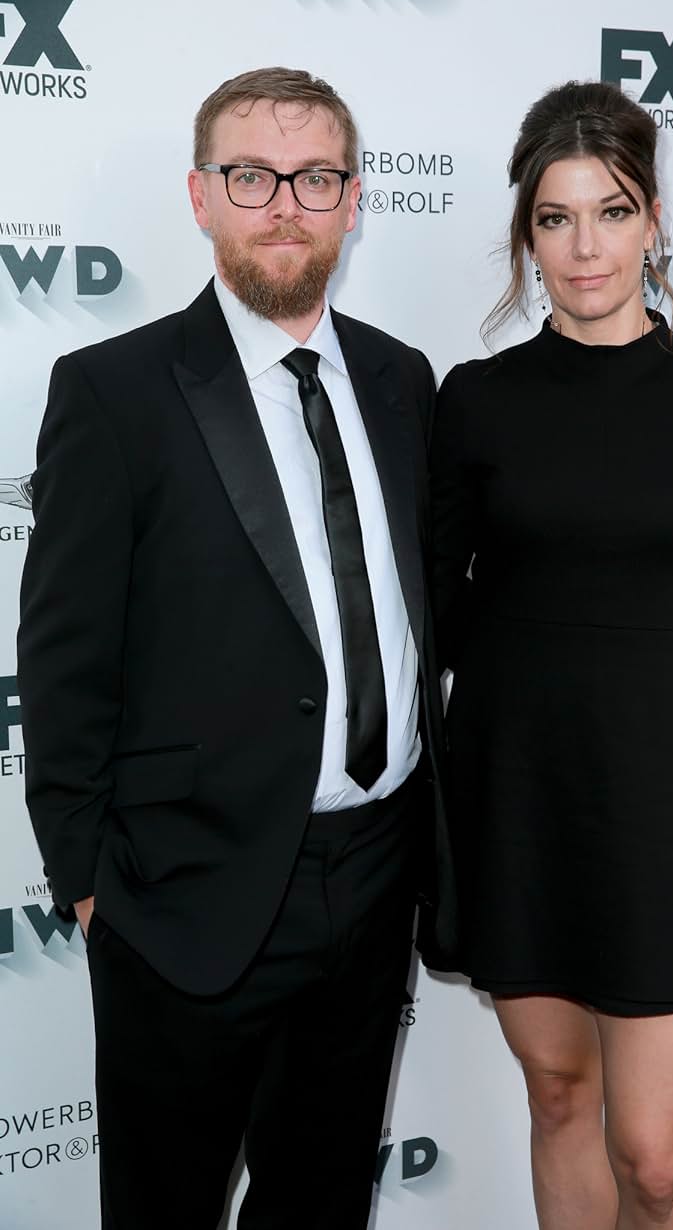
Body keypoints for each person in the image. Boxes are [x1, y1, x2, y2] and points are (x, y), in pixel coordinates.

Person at [17, 66, 456, 1230]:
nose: (284, 205)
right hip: (182, 898)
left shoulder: (402, 382)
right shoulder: (115, 392)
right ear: (202, 196)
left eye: (315, 178)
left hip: (373, 878)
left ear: (354, 202)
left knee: (318, 1205)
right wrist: (88, 881)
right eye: (251, 175)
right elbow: (61, 660)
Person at [431, 79, 673, 1230]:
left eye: (609, 210)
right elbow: (423, 620)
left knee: (651, 1158)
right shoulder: (474, 402)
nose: (583, 245)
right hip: (511, 794)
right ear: (525, 236)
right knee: (559, 1097)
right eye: (554, 218)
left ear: (652, 218)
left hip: (652, 804)